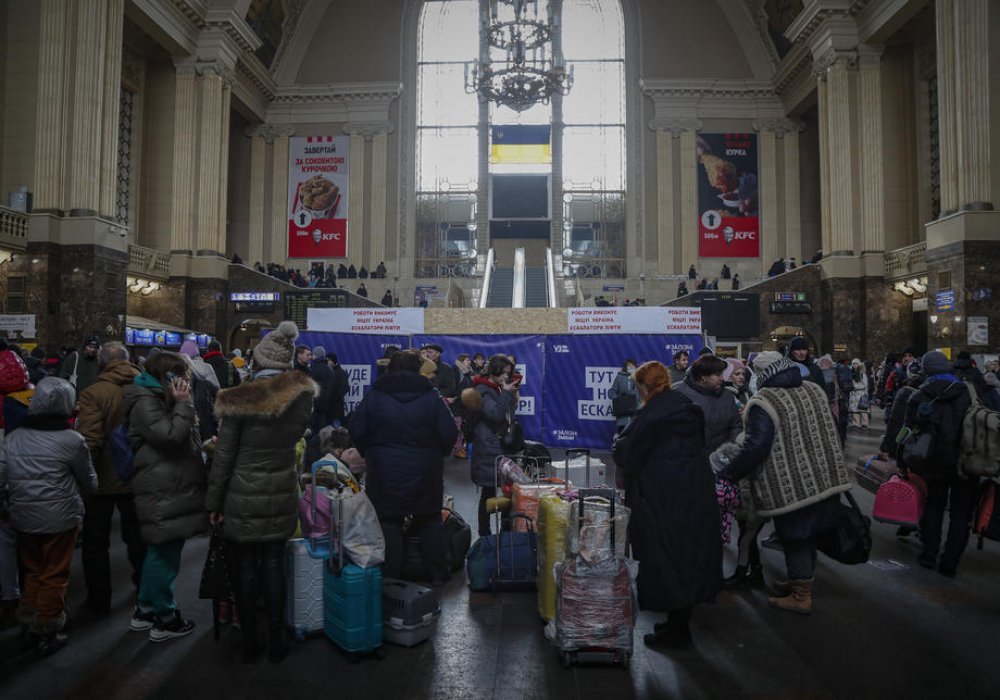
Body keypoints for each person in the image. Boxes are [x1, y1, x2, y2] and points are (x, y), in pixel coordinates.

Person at [206, 321, 315, 663]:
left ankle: (252, 640)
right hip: (282, 489)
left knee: (245, 567)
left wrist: (213, 501)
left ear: (257, 360)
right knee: (274, 563)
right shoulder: (302, 398)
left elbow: (223, 455)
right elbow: (296, 436)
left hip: (241, 493)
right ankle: (278, 638)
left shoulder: (239, 398)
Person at [714, 352, 852, 615]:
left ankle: (801, 596)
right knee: (810, 534)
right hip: (824, 475)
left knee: (796, 536)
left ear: (762, 373)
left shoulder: (765, 400)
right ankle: (801, 580)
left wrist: (728, 474)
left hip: (793, 483)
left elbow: (757, 447)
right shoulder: (813, 388)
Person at [613, 361, 721, 649]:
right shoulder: (685, 406)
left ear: (644, 387)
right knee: (687, 557)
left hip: (663, 497)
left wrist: (618, 444)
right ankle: (677, 622)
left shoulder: (651, 414)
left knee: (667, 559)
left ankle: (678, 633)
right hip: (694, 494)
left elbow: (628, 454)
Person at [0, 378, 96, 655]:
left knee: (31, 570)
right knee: (54, 573)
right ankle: (48, 627)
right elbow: (89, 482)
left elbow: (2, 478)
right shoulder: (72, 440)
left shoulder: (13, 438)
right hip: (61, 518)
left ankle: (28, 621)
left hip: (22, 516)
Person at [349, 350, 457, 584]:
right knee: (429, 520)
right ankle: (438, 575)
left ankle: (390, 578)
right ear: (418, 369)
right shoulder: (431, 396)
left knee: (388, 522)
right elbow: (449, 432)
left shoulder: (375, 394)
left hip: (384, 471)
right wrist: (438, 454)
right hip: (425, 470)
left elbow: (357, 429)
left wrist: (370, 452)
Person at [122, 352, 206, 642]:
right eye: (181, 375)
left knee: (161, 551)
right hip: (163, 486)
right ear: (168, 376)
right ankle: (165, 617)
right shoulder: (146, 400)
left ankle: (145, 609)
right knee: (165, 555)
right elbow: (169, 436)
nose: (185, 381)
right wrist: (184, 405)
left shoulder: (154, 397)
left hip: (169, 483)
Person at [75, 342, 146, 613]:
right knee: (139, 539)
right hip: (138, 475)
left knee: (95, 543)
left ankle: (99, 600)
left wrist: (85, 482)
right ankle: (145, 592)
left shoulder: (94, 393)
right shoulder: (144, 387)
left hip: (103, 480)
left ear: (102, 363)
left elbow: (89, 441)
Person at [903, 351, 975, 577]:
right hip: (966, 458)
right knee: (961, 514)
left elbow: (907, 431)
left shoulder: (920, 395)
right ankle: (950, 562)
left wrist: (902, 461)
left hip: (933, 459)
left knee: (933, 506)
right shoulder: (969, 391)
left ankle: (929, 554)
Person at [464, 355, 519, 537]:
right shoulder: (483, 390)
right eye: (503, 373)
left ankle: (504, 532)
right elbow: (495, 415)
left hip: (501, 447)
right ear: (494, 372)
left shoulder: (498, 388)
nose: (506, 377)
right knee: (487, 494)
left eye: (508, 374)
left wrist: (511, 395)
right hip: (489, 448)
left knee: (508, 493)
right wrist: (506, 394)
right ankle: (485, 535)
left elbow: (507, 413)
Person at [674, 354, 741, 452]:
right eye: (717, 375)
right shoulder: (679, 393)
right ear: (703, 377)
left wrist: (729, 450)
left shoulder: (727, 396)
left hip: (720, 460)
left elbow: (736, 425)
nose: (722, 378)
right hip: (688, 459)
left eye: (722, 374)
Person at [609, 359, 640, 435]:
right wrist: (618, 400)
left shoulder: (639, 378)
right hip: (623, 414)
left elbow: (641, 392)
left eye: (632, 367)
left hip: (636, 413)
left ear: (636, 367)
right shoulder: (619, 377)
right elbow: (612, 391)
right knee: (623, 436)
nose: (630, 368)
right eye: (628, 367)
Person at [309, 346, 336, 436]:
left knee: (313, 430)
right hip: (326, 405)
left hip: (315, 404)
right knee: (323, 430)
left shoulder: (314, 368)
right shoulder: (330, 369)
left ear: (316, 356)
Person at [848, 358, 870, 429]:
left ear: (859, 364)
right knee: (854, 410)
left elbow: (865, 384)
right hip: (853, 394)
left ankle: (865, 423)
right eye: (853, 363)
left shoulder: (862, 374)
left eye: (856, 363)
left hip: (861, 393)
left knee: (862, 409)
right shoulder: (851, 373)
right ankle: (856, 424)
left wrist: (856, 387)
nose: (854, 365)